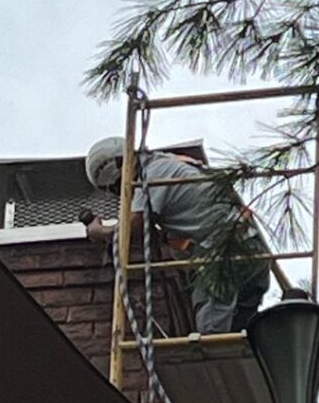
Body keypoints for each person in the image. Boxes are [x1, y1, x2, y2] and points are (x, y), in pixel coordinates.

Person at [84, 136, 270, 334]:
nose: (122, 193)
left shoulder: (150, 175)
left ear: (119, 165)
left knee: (213, 331)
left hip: (223, 251)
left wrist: (101, 232)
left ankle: (216, 361)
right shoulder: (173, 164)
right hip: (252, 249)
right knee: (241, 332)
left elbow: (134, 225)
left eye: (117, 186)